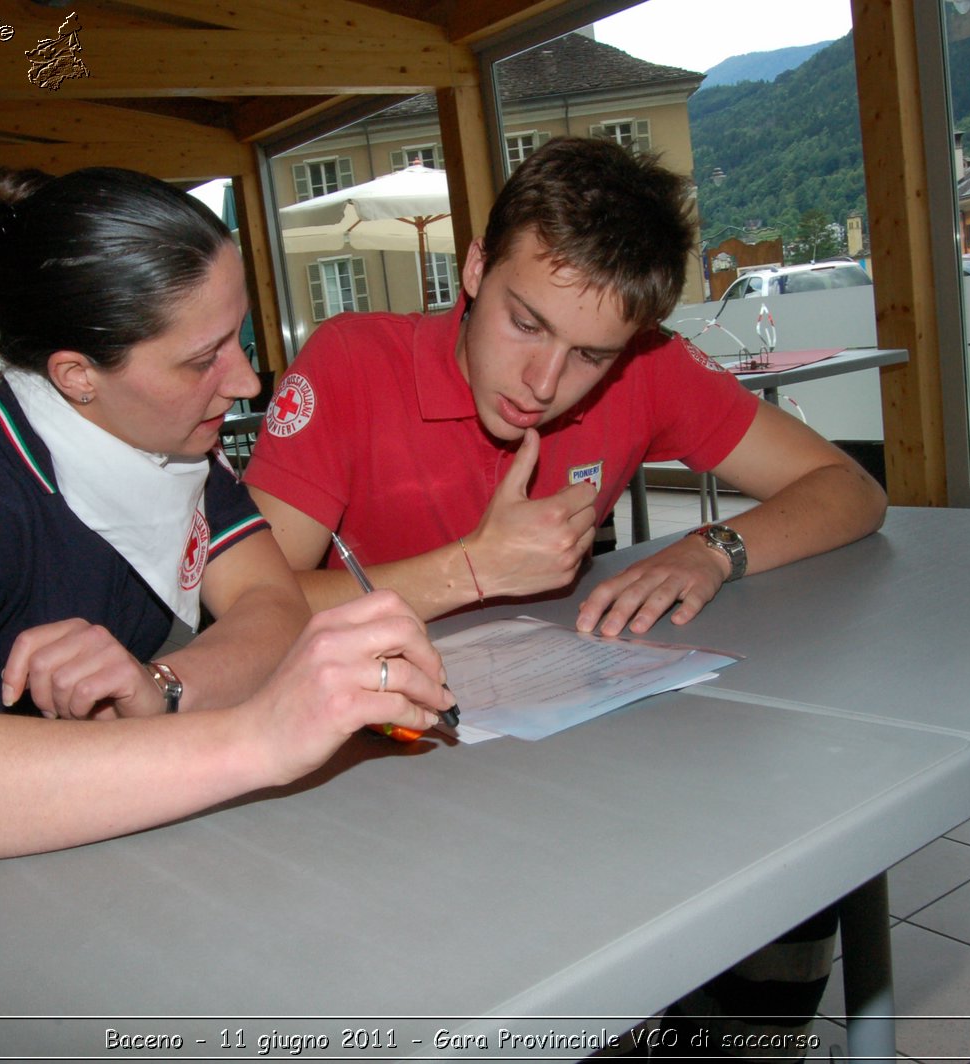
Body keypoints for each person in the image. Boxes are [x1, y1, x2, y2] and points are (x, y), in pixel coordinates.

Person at [243, 137, 885, 1060]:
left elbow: (849, 489)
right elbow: (246, 609)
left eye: (591, 355)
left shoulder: (647, 366)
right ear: (473, 266)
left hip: (571, 749)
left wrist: (713, 551)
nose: (545, 383)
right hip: (392, 788)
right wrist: (473, 568)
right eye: (526, 323)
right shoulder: (349, 364)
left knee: (795, 875)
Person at [0, 167, 452, 862]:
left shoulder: (169, 442)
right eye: (202, 360)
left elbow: (272, 604)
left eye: (237, 336)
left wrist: (163, 688)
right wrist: (259, 739)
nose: (246, 380)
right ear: (77, 375)